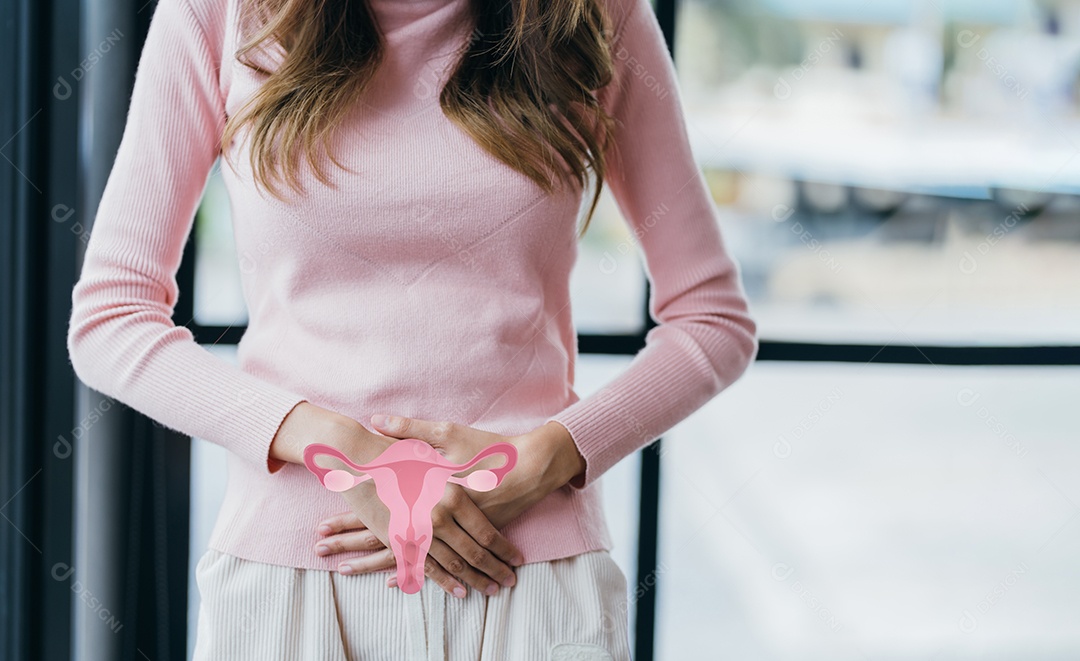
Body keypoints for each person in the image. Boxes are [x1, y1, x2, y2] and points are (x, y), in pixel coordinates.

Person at [66, 0, 759, 657]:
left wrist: (546, 457)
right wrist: (339, 448)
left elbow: (713, 320)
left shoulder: (593, 16)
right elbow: (111, 316)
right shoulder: (220, 13)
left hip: (529, 571)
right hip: (292, 578)